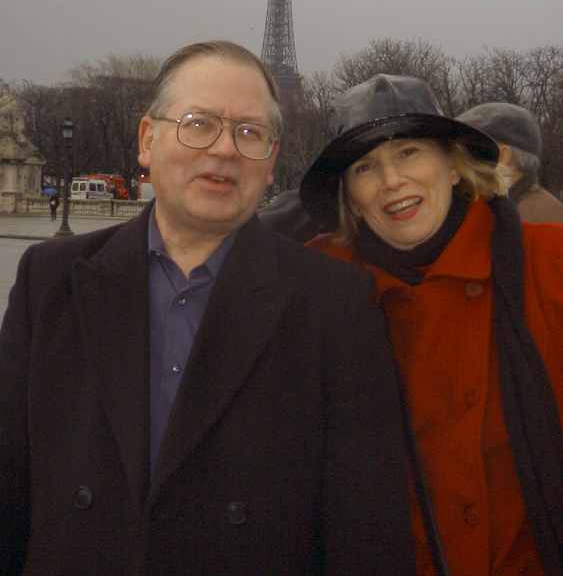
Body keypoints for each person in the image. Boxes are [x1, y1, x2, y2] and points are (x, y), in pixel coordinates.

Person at [0, 42, 414, 576]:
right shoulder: (49, 279)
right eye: (199, 124)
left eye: (249, 133)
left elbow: (366, 524)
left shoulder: (335, 300)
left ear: (270, 164)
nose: (223, 150)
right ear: (148, 140)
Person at [300, 74, 563, 576]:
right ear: (350, 197)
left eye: (409, 153)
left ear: (454, 166)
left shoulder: (549, 266)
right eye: (365, 167)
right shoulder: (317, 294)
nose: (392, 181)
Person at [456, 101, 563, 224]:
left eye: (466, 151)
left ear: (502, 156)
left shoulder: (536, 223)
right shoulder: (511, 210)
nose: (455, 165)